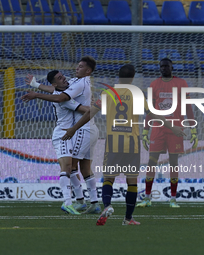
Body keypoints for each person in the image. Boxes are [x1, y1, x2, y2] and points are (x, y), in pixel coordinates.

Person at [61, 64, 185, 226]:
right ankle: (128, 218)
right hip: (131, 143)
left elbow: (90, 113)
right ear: (133, 77)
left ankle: (107, 206)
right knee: (132, 181)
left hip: (113, 142)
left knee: (109, 179)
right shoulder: (137, 94)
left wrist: (73, 128)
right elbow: (153, 114)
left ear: (118, 77)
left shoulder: (107, 93)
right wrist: (173, 127)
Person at [22, 56, 101, 214]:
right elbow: (57, 92)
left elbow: (59, 95)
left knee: (71, 167)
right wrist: (36, 85)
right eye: (60, 78)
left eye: (80, 66)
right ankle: (89, 202)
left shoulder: (74, 88)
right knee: (82, 168)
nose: (75, 70)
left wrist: (36, 92)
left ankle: (76, 201)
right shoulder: (72, 87)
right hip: (79, 131)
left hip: (79, 130)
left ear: (88, 71)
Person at [137, 58, 198, 208]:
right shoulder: (154, 84)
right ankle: (147, 198)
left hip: (176, 129)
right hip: (158, 129)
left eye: (166, 66)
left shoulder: (181, 84)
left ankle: (172, 198)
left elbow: (188, 108)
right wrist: (145, 130)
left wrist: (193, 128)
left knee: (174, 163)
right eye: (161, 66)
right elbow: (149, 111)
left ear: (172, 67)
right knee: (152, 162)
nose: (163, 68)